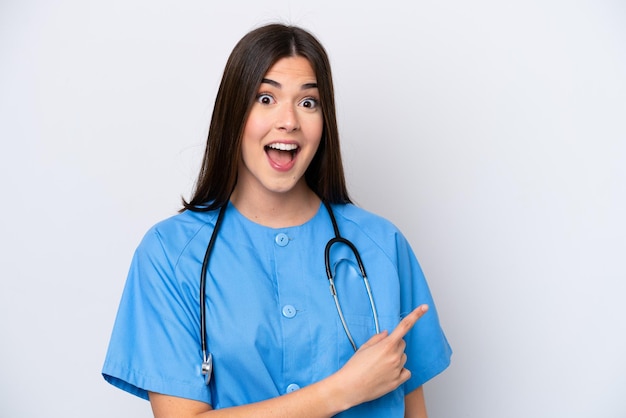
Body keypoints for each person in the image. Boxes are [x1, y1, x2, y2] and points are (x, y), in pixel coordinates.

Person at [102, 23, 452, 417]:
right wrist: (344, 390)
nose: (289, 121)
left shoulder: (380, 245)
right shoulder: (169, 254)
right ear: (234, 114)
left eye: (308, 103)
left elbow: (413, 409)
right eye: (265, 98)